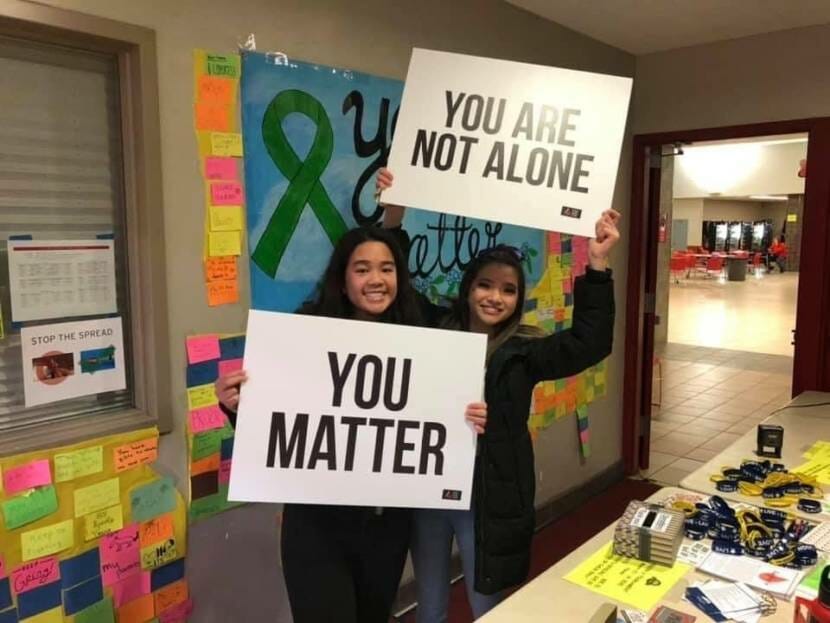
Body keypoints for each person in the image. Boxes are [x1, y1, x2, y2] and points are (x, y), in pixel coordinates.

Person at [377, 168, 618, 622]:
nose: (495, 297)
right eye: (485, 285)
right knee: (429, 601)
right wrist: (394, 217)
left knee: (488, 603)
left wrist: (598, 264)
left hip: (488, 499)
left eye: (508, 290)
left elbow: (590, 343)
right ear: (468, 289)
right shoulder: (435, 328)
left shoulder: (524, 352)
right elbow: (395, 291)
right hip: (428, 490)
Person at [214, 226, 487, 623]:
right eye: (362, 269)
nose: (376, 280)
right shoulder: (305, 334)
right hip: (317, 528)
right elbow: (281, 428)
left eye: (387, 269)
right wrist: (240, 407)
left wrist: (469, 418)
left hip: (385, 527)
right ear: (342, 280)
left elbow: (439, 423)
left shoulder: (422, 341)